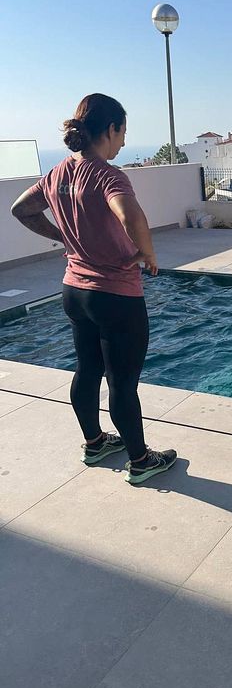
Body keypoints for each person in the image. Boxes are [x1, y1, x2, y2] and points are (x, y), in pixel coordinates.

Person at [11, 93, 177, 485]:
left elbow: (21, 209)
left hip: (75, 292)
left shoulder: (58, 173)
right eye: (122, 134)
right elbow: (130, 213)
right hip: (115, 295)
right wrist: (147, 253)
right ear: (111, 129)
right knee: (122, 383)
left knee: (87, 370)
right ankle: (140, 461)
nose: (122, 143)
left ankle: (95, 442)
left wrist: (62, 238)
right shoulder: (107, 175)